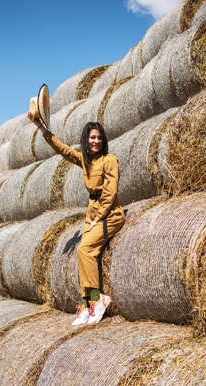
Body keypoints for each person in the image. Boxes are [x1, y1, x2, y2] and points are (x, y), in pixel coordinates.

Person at [27, 112, 125, 325]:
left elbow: (110, 193)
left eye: (99, 138)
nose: (96, 141)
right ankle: (86, 303)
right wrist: (42, 129)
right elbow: (63, 150)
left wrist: (97, 219)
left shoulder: (110, 160)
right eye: (92, 138)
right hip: (92, 213)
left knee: (85, 250)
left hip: (110, 214)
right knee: (82, 255)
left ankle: (98, 299)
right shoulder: (86, 160)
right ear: (86, 139)